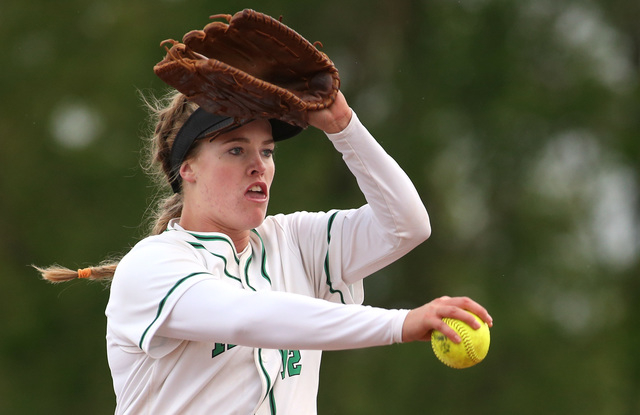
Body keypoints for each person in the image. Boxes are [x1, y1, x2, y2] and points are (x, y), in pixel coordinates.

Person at [37, 88, 492, 414]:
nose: (259, 165)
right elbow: (248, 317)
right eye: (236, 150)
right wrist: (399, 322)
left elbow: (406, 226)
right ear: (187, 168)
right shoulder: (154, 265)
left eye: (268, 150)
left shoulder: (294, 241)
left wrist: (342, 126)